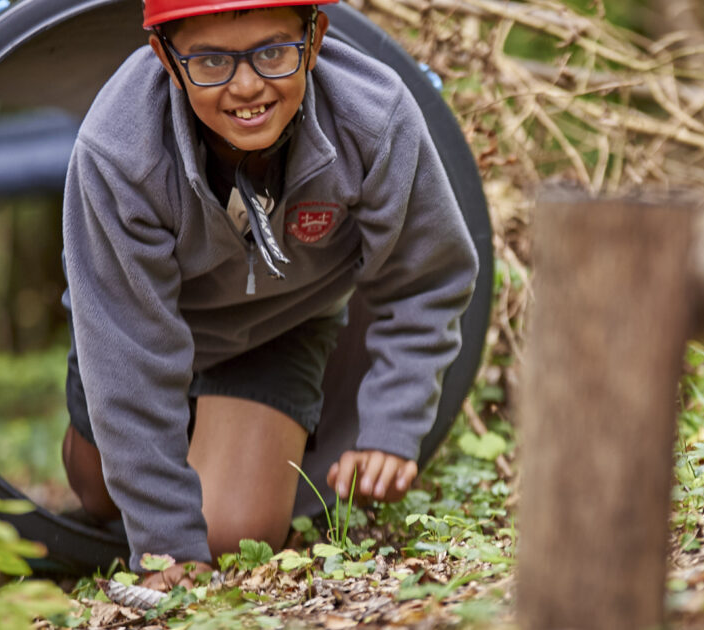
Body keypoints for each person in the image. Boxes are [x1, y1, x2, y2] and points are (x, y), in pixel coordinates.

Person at [59, 0, 477, 589]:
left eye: (274, 52)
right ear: (165, 58)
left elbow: (426, 277)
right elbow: (128, 350)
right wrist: (166, 547)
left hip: (282, 324)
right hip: (140, 319)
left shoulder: (372, 117)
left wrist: (391, 424)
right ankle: (132, 452)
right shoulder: (118, 149)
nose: (247, 87)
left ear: (315, 39)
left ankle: (216, 437)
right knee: (97, 493)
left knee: (233, 532)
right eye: (209, 61)